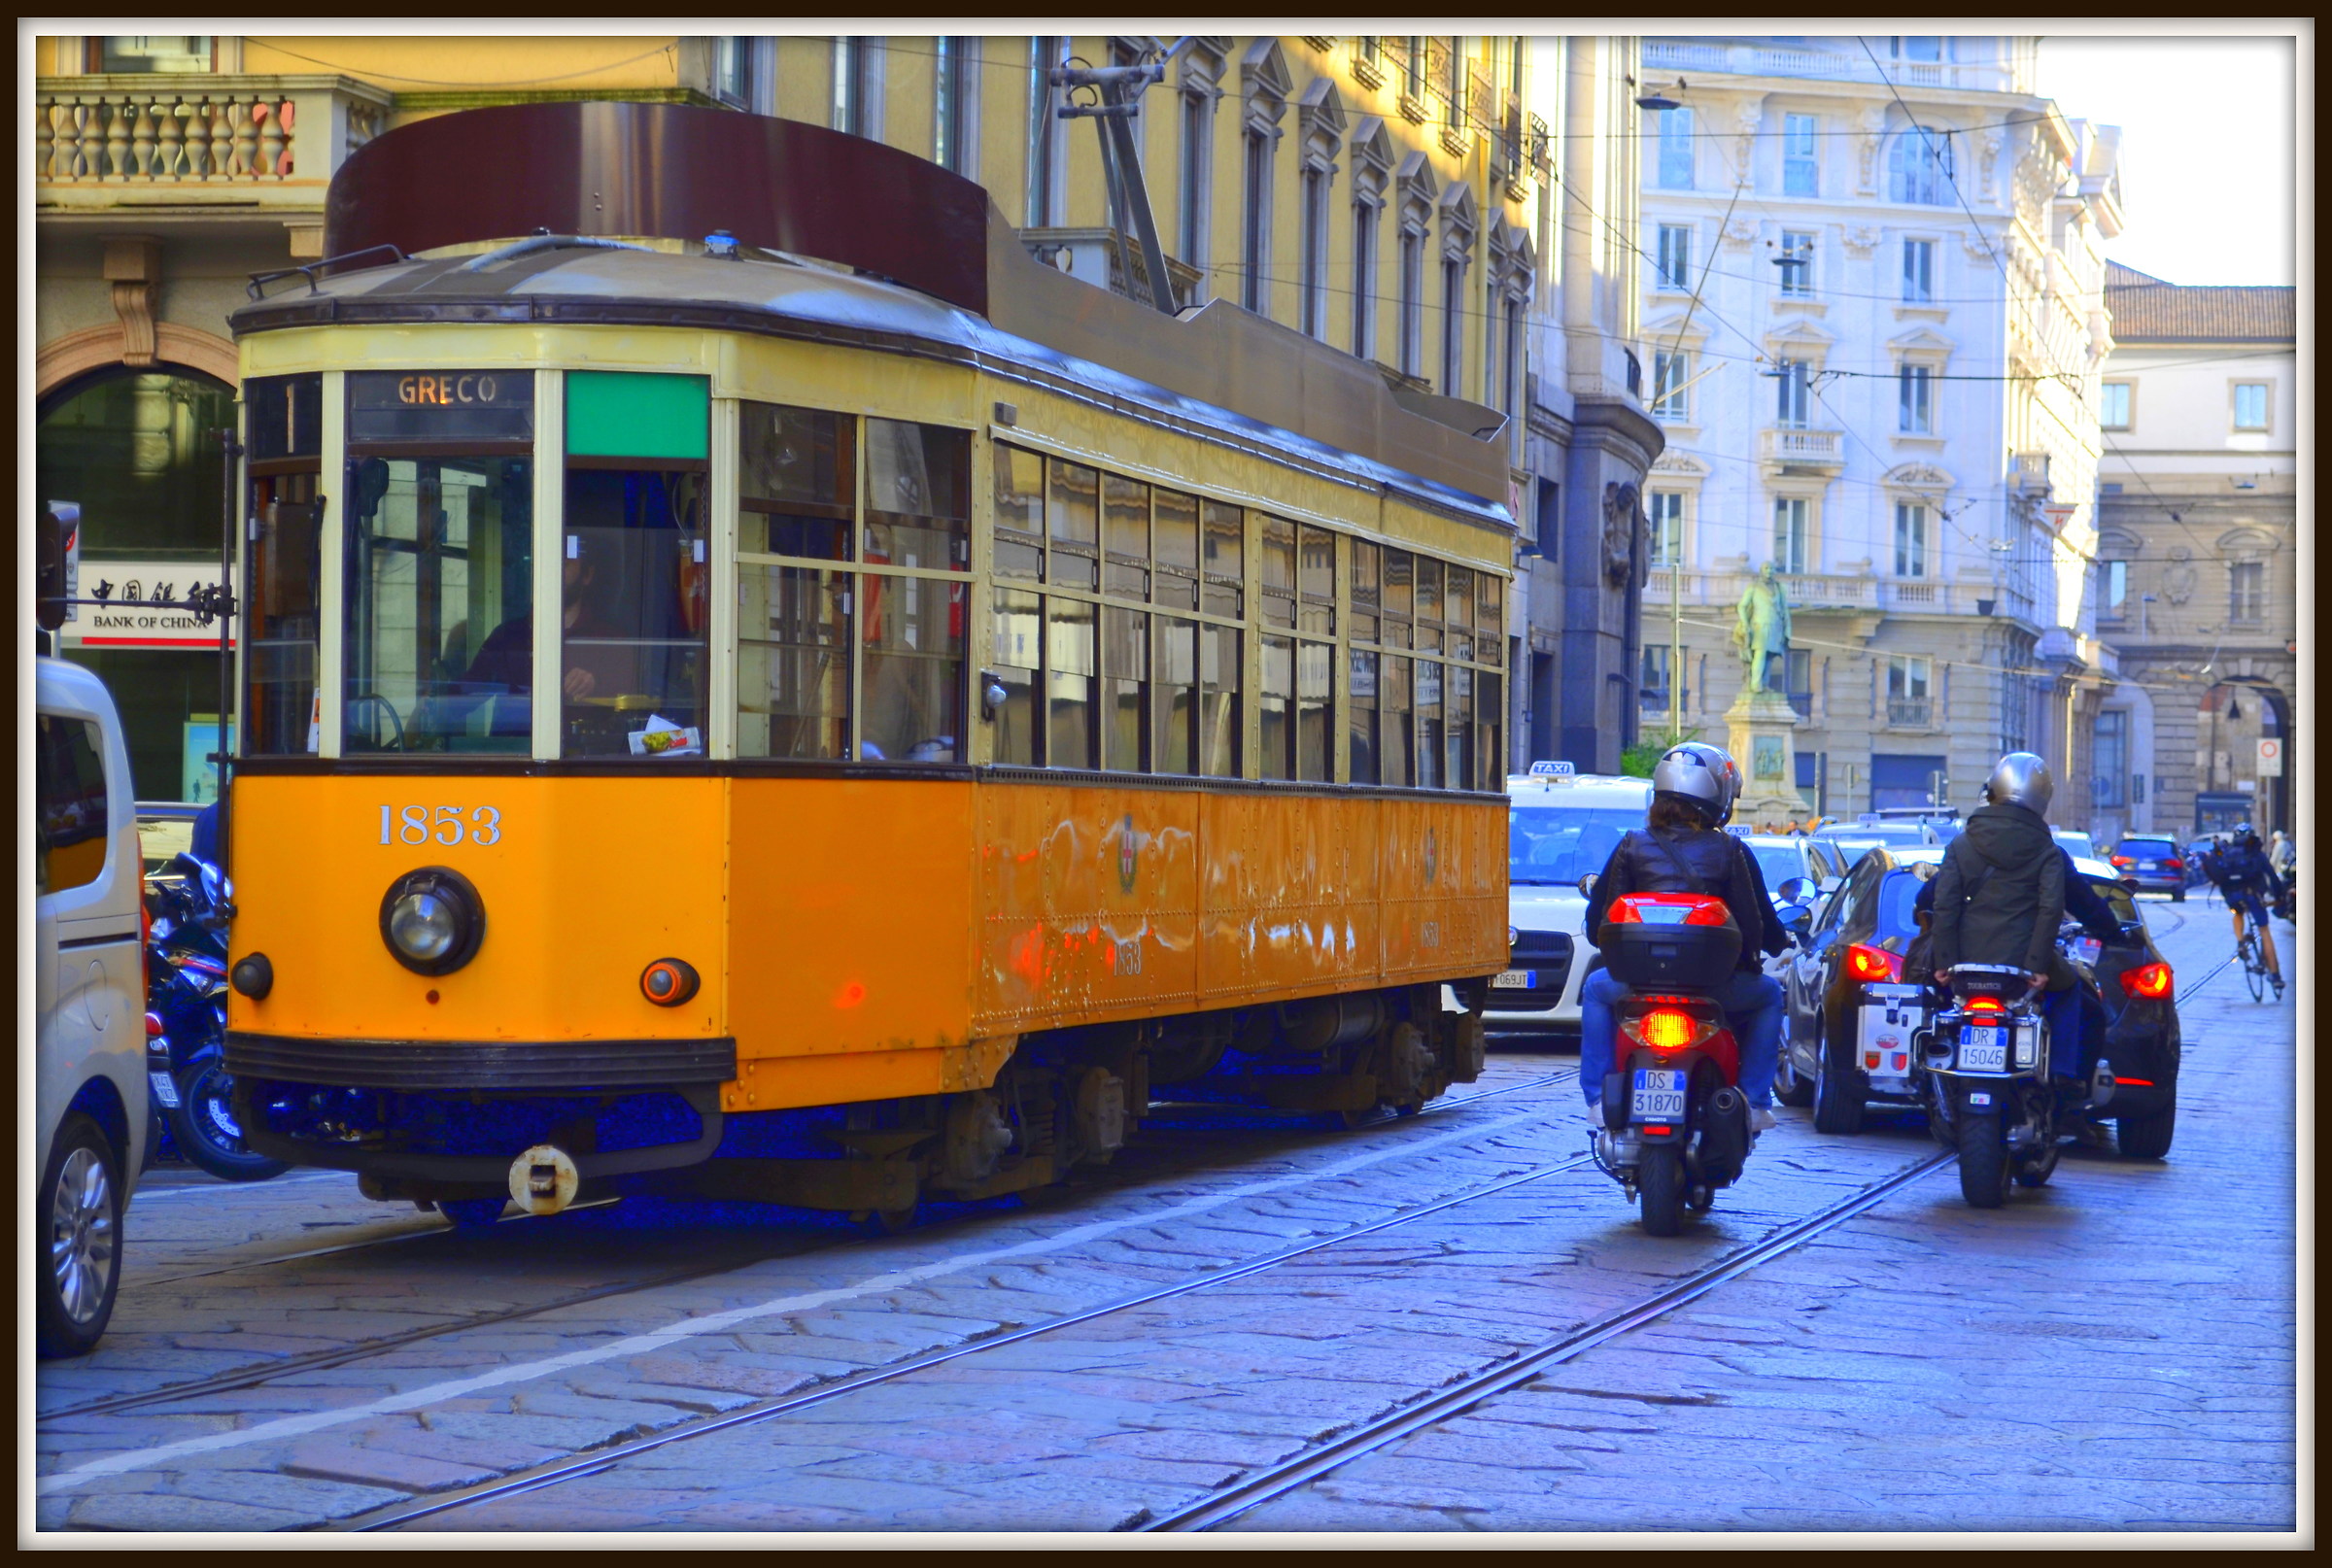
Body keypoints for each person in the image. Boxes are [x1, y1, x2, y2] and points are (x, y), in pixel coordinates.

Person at [1579, 741, 1792, 1144]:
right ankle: (1755, 1100)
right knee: (1767, 996)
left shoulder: (1631, 844)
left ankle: (1595, 1097)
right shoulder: (1730, 850)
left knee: (1594, 989)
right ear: (1717, 797)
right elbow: (1754, 921)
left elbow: (1599, 925)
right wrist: (1765, 951)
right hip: (1715, 989)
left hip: (1637, 987)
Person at [1930, 753, 2100, 1096]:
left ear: (1994, 788)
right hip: (2021, 961)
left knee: (1933, 1001)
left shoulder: (1962, 845)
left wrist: (1944, 962)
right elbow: (2050, 909)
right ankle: (2065, 1074)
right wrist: (2037, 966)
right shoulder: (2048, 851)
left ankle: (1932, 1074)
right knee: (2072, 994)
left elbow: (1943, 905)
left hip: (1965, 959)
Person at [2207, 824, 2285, 995]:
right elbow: (2271, 876)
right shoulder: (2256, 852)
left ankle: (2241, 941)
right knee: (2264, 931)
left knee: (2237, 913)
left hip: (2233, 896)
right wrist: (2279, 897)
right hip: (2253, 895)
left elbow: (2220, 876)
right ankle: (2275, 975)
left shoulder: (2227, 852)